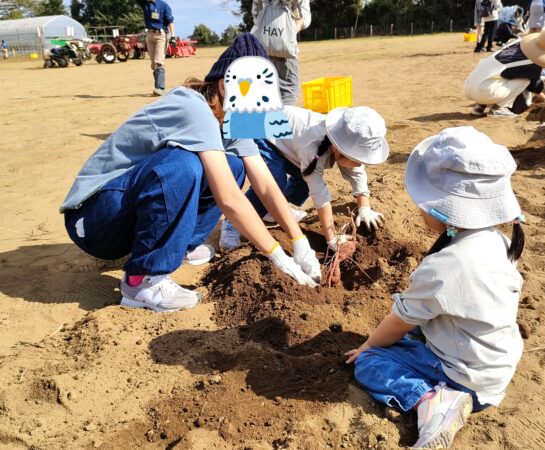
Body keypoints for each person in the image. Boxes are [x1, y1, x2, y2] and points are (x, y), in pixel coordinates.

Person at [60, 34, 320, 313]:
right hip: (96, 220)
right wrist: (278, 256)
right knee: (183, 165)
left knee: (233, 167)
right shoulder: (192, 108)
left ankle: (179, 245)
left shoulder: (231, 116)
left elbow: (264, 182)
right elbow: (230, 200)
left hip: (123, 214)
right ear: (224, 86)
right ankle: (141, 282)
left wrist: (299, 241)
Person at [345, 126, 526, 449]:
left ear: (446, 210)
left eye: (425, 203)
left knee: (371, 364)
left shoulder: (447, 263)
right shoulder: (499, 241)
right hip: (495, 363)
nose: (420, 208)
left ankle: (433, 402)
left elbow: (399, 322)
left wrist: (367, 347)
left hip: (465, 377)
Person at [219, 105, 389, 252]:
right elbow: (320, 195)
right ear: (339, 150)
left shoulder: (339, 141)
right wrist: (331, 239)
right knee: (272, 181)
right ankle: (233, 222)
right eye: (358, 159)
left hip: (288, 144)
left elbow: (357, 172)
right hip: (259, 132)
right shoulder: (312, 145)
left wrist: (364, 207)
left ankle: (273, 209)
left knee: (303, 178)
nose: (360, 164)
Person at [465, 27, 545, 117]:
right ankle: (499, 109)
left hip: (470, 84)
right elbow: (534, 87)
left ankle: (480, 106)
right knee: (524, 81)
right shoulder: (532, 65)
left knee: (498, 75)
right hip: (483, 92)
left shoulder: (516, 43)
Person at [251, 0, 311, 105]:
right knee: (288, 91)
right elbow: (304, 17)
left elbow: (256, 12)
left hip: (260, 44)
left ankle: (264, 119)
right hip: (285, 48)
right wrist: (291, 30)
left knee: (261, 89)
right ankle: (283, 119)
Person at [136, 0, 175, 96]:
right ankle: (157, 87)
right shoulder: (144, 3)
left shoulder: (163, 5)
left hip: (161, 35)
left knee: (158, 62)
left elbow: (170, 21)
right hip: (149, 35)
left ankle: (160, 88)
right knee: (153, 64)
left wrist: (173, 36)